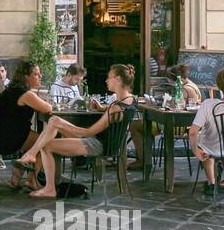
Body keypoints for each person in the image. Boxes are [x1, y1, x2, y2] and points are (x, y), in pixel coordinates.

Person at [19, 64, 138, 199]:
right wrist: (101, 108)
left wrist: (63, 124)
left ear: (117, 79)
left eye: (109, 77)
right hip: (111, 145)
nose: (106, 80)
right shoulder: (131, 100)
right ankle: (33, 156)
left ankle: (48, 186)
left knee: (49, 135)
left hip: (97, 144)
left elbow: (87, 132)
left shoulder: (115, 108)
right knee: (54, 125)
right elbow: (116, 111)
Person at [0, 62, 53, 189]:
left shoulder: (12, 90)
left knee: (36, 141)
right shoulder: (26, 94)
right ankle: (31, 180)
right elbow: (48, 108)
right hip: (8, 138)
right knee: (45, 143)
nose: (40, 76)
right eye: (36, 74)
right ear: (26, 77)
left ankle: (17, 175)